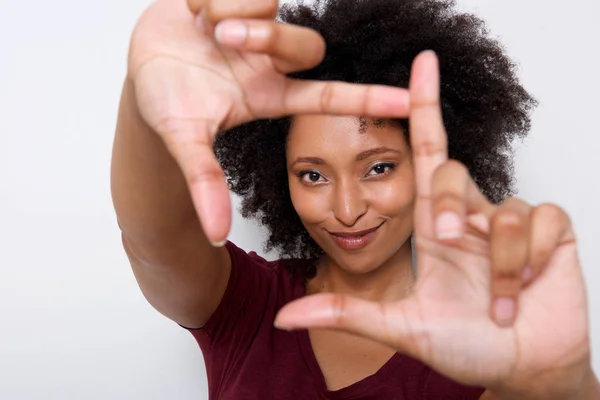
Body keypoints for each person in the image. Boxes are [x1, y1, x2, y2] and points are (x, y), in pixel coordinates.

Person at [110, 0, 600, 398]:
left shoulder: (481, 344)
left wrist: (560, 382)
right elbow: (155, 238)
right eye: (313, 176)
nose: (347, 210)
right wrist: (144, 92)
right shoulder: (249, 305)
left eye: (379, 167)